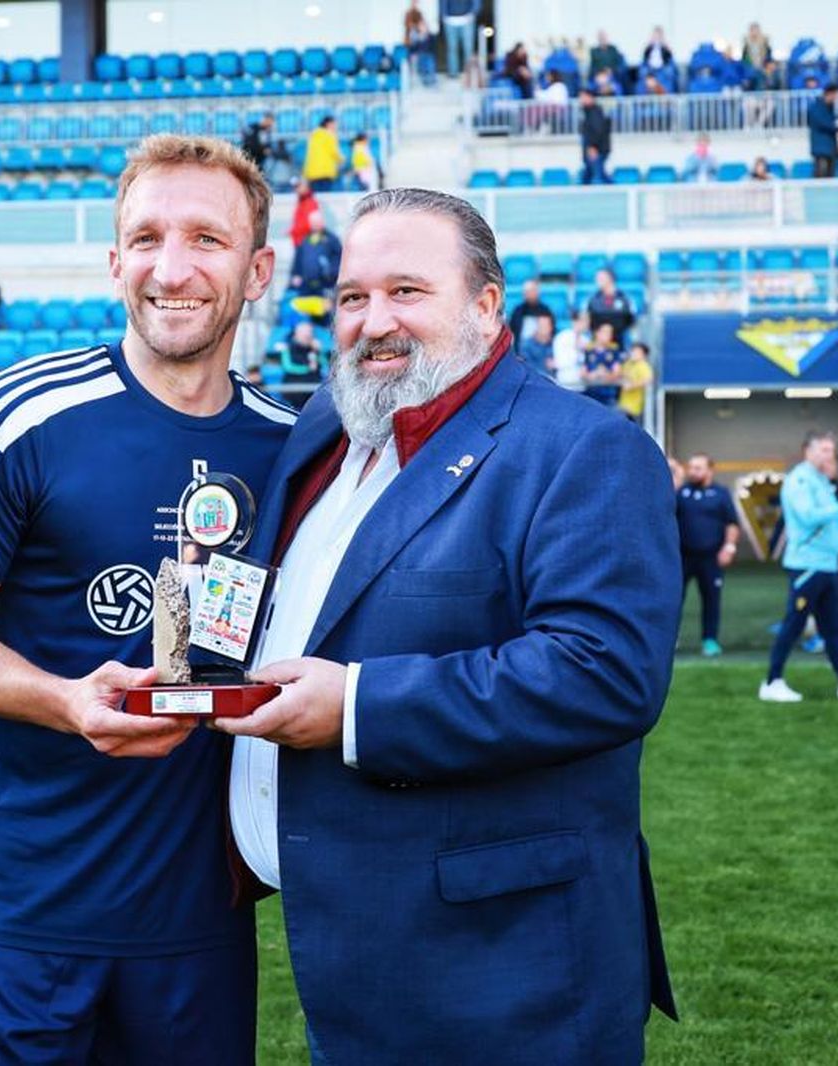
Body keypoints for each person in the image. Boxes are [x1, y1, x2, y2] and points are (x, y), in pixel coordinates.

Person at [212, 187, 679, 1061]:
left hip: (506, 977)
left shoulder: (583, 448)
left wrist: (357, 707)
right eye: (352, 297)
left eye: (406, 292)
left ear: (487, 304)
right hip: (350, 955)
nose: (371, 319)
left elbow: (603, 671)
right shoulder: (328, 425)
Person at [0, 133, 293, 1063]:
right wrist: (65, 702)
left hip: (196, 926)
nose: (173, 266)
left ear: (259, 267)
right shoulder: (17, 415)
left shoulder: (291, 449)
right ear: (116, 260)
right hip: (15, 913)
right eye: (147, 238)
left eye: (207, 238)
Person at [760, 431, 838, 702]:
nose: (830, 455)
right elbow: (808, 517)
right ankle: (772, 681)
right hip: (808, 565)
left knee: (833, 627)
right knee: (794, 624)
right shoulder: (800, 479)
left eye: (831, 450)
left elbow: (833, 521)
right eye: (825, 449)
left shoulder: (819, 480)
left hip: (826, 565)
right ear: (809, 451)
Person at [677, 453, 740, 655]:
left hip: (711, 558)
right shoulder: (681, 492)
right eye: (690, 467)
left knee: (711, 600)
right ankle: (670, 639)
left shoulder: (721, 493)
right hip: (683, 557)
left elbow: (732, 523)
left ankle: (709, 640)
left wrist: (728, 548)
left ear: (709, 470)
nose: (692, 471)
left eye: (698, 468)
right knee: (673, 599)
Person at [291, 209, 342, 297]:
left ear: (322, 221)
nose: (315, 224)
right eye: (313, 222)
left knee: (325, 309)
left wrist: (331, 273)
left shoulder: (332, 239)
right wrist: (296, 274)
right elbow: (298, 260)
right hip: (306, 286)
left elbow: (339, 258)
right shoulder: (305, 240)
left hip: (326, 286)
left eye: (317, 221)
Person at [586, 267, 636, 339]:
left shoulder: (625, 298)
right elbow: (588, 320)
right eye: (596, 278)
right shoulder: (592, 299)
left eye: (601, 278)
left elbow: (631, 320)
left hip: (620, 337)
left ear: (610, 278)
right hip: (598, 339)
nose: (597, 280)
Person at [507, 277, 556, 345]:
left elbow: (552, 331)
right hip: (520, 349)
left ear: (537, 292)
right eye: (526, 292)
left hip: (541, 348)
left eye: (531, 291)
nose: (528, 294)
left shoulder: (545, 310)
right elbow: (511, 330)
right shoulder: (518, 310)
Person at [302, 116, 344, 193]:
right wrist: (342, 159)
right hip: (325, 172)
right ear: (328, 124)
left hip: (312, 173)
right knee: (325, 196)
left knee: (316, 197)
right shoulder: (329, 135)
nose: (335, 127)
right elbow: (334, 152)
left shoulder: (314, 135)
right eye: (334, 124)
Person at [579, 88, 612, 185]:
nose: (581, 99)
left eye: (583, 97)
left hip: (596, 150)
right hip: (592, 150)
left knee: (599, 176)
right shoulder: (588, 112)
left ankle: (617, 194)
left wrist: (593, 147)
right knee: (588, 176)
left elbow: (598, 131)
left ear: (590, 97)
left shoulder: (595, 112)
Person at [808, 84, 838, 180]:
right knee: (821, 176)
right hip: (821, 149)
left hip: (830, 149)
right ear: (830, 94)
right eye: (836, 95)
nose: (837, 98)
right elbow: (824, 123)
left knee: (831, 176)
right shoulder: (816, 108)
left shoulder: (830, 108)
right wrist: (837, 126)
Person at [440, 0, 479, 77]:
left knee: (468, 48)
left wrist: (473, 13)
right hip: (450, 20)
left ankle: (469, 73)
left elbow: (476, 2)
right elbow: (443, 3)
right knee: (452, 49)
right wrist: (444, 15)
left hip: (466, 19)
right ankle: (453, 73)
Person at [618, 340, 653, 422]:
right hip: (623, 403)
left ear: (644, 355)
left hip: (634, 406)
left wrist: (632, 385)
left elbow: (648, 380)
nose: (633, 353)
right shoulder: (628, 364)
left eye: (637, 352)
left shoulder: (643, 365)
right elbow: (620, 374)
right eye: (633, 351)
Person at [282, 320, 324, 385]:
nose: (308, 335)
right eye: (304, 332)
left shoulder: (314, 348)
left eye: (310, 332)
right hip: (294, 384)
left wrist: (318, 351)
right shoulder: (287, 348)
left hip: (314, 383)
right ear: (296, 334)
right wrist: (307, 368)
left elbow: (324, 364)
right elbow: (287, 367)